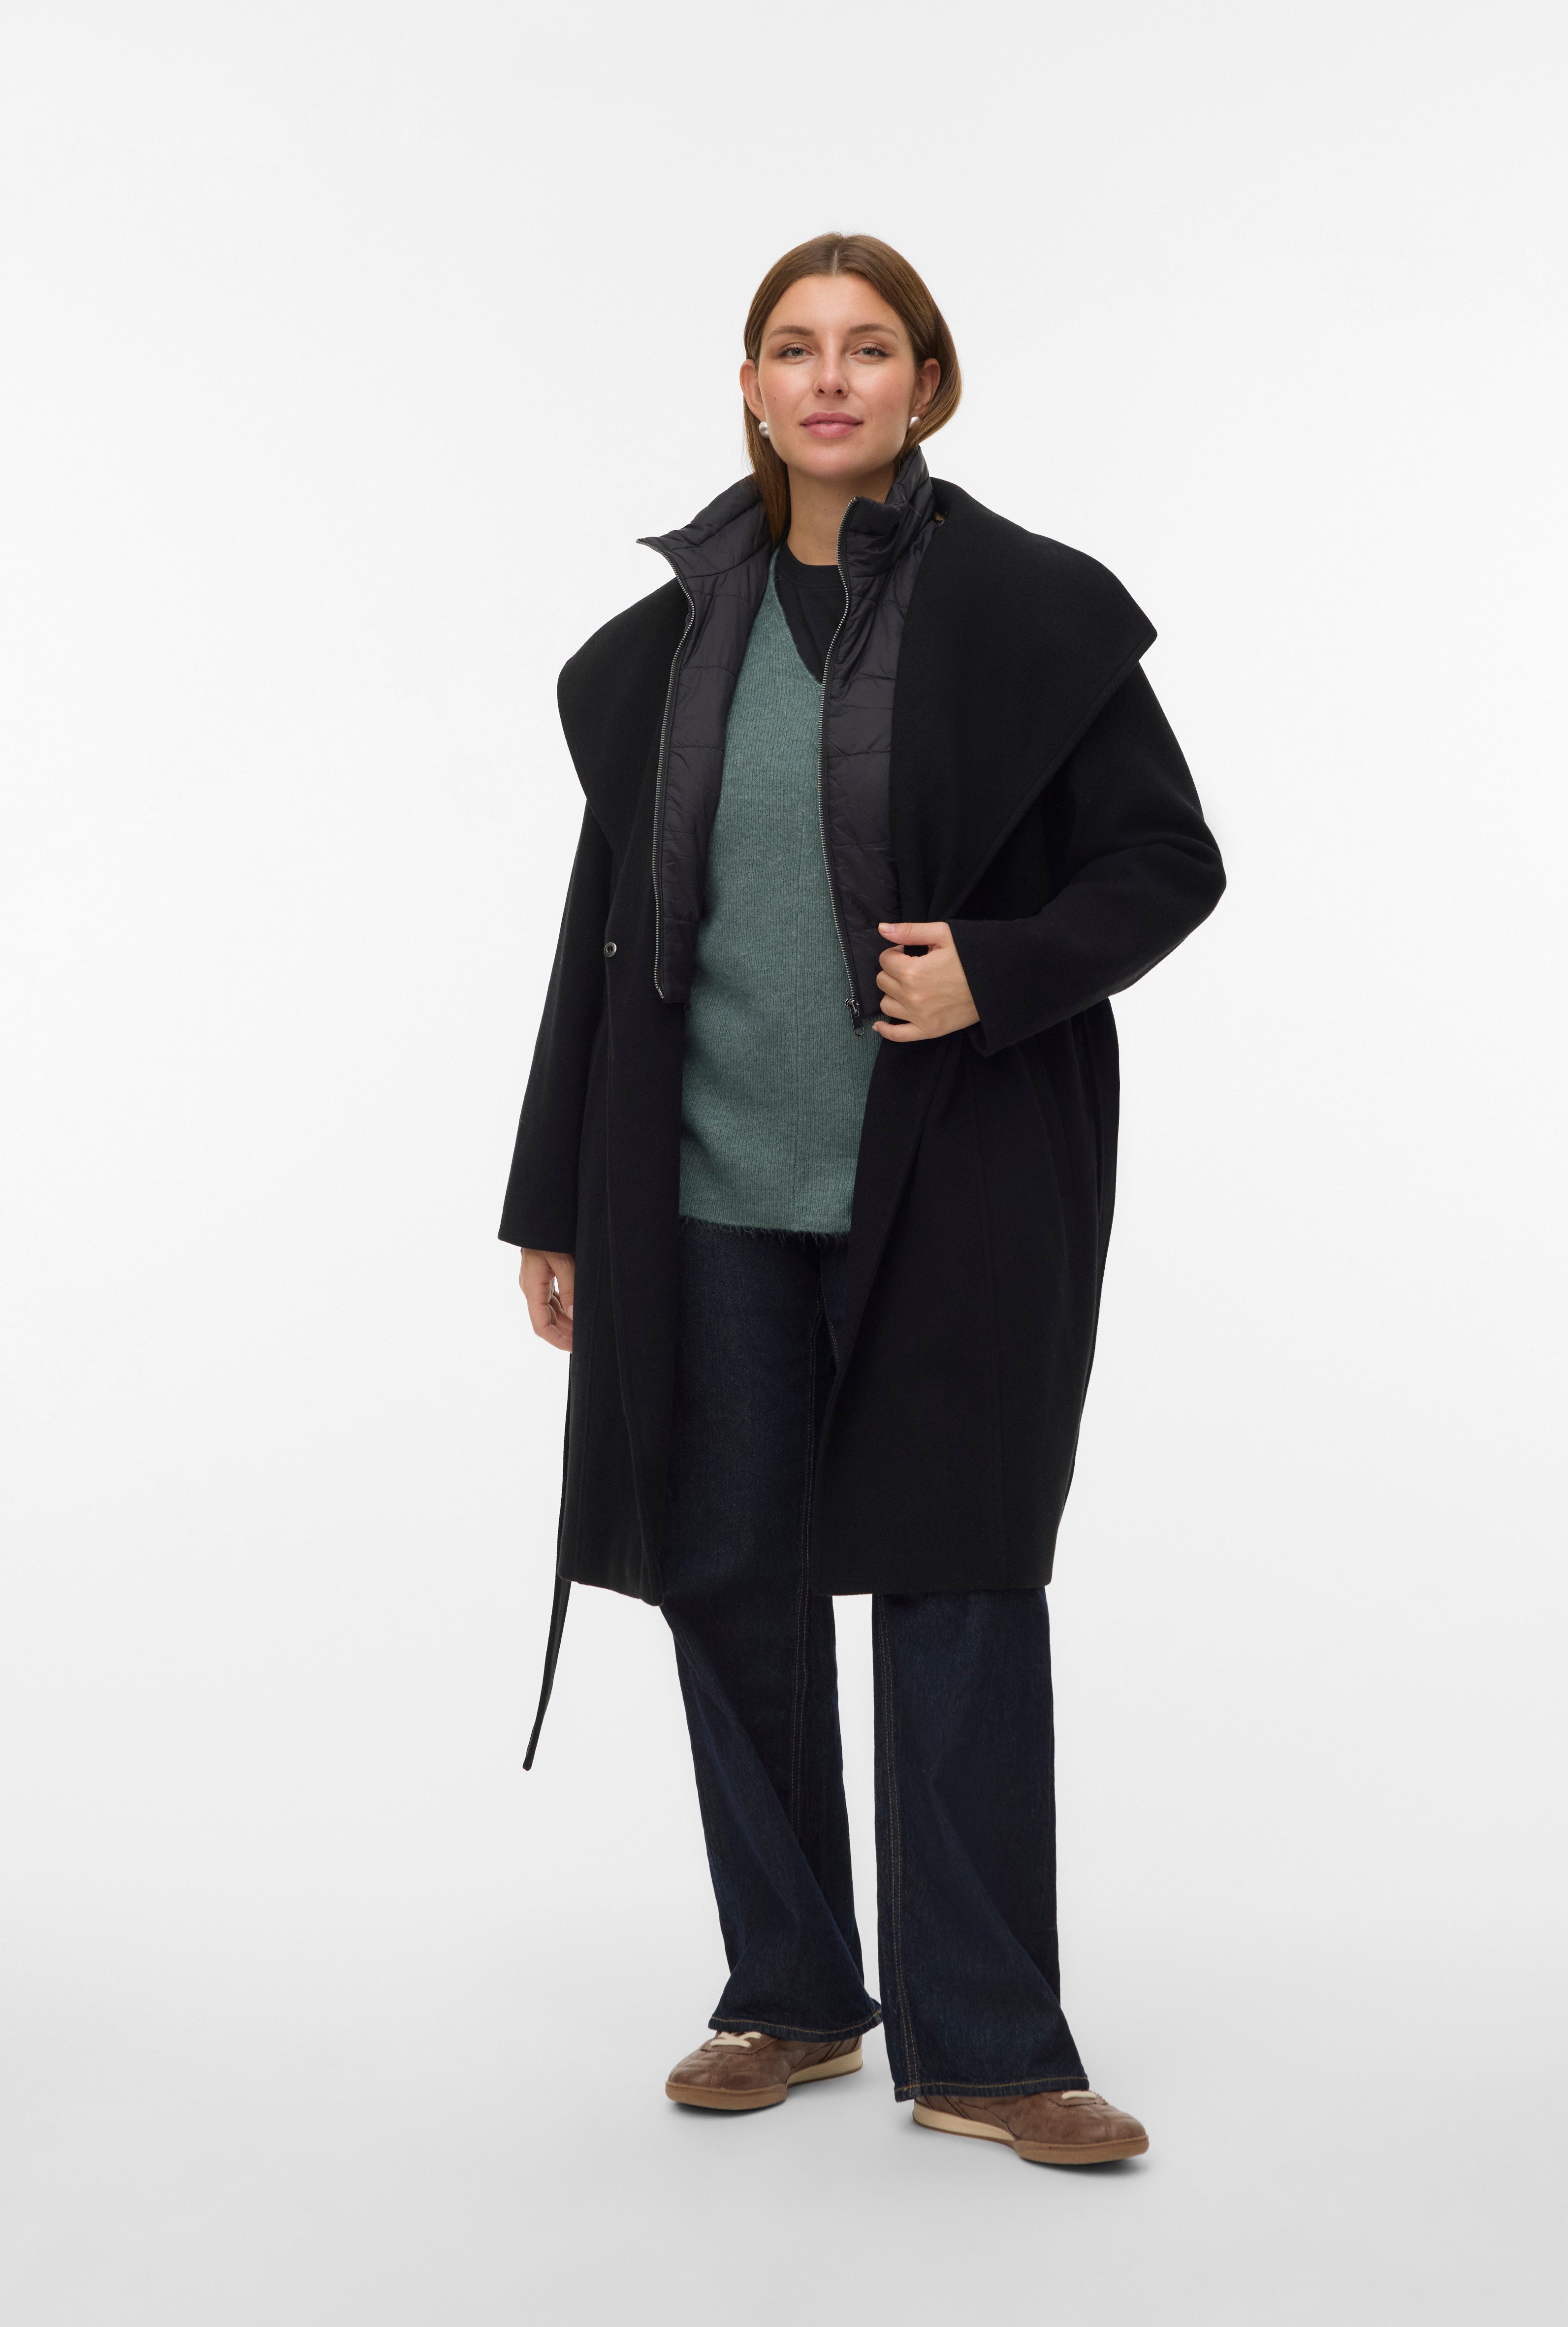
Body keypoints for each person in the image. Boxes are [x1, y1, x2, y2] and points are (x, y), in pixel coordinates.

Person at [499, 232, 1224, 2167]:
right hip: (699, 1189)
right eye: (794, 348)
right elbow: (603, 936)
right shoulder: (670, 645)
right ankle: (791, 1996)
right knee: (726, 1573)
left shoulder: (1030, 617)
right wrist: (552, 1199)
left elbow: (1167, 863)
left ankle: (991, 2047)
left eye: (869, 347)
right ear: (748, 388)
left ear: (927, 383)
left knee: (955, 1570)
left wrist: (999, 968)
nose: (830, 379)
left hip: (957, 1174)